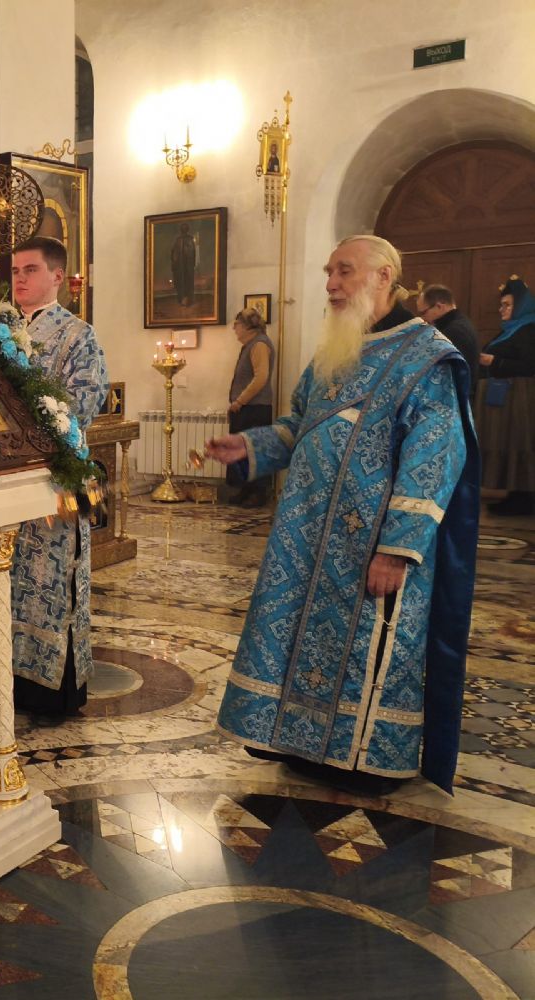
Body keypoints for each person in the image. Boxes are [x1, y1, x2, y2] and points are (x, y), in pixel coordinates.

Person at [205, 234, 478, 795]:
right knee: (299, 639)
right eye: (329, 271)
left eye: (344, 271)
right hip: (305, 535)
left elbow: (435, 457)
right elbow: (299, 424)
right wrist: (251, 446)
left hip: (371, 542)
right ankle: (299, 743)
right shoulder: (337, 350)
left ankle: (359, 760)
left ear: (384, 277)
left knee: (362, 650)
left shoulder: (426, 356)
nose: (330, 283)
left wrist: (397, 548)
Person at [0, 236, 108, 722]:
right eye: (15, 271)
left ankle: (50, 694)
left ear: (57, 277)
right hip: (1, 479)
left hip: (53, 483)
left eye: (30, 270)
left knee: (51, 583)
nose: (20, 278)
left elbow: (85, 401)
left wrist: (30, 432)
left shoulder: (78, 335)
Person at [474, 277, 535, 516]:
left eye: (507, 305)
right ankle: (515, 495)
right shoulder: (511, 330)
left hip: (520, 399)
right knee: (507, 445)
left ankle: (525, 498)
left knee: (519, 444)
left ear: (521, 306)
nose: (502, 309)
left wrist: (494, 361)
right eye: (501, 305)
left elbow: (529, 365)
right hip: (505, 398)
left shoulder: (529, 330)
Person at [226, 307, 275, 507]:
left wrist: (240, 401)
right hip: (247, 407)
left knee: (255, 451)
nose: (234, 329)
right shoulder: (251, 344)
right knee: (243, 451)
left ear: (247, 326)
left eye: (236, 324)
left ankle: (257, 493)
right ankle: (245, 491)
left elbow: (261, 377)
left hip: (254, 408)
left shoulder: (260, 344)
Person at [414, 283, 480, 395]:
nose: (423, 319)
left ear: (439, 306)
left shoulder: (453, 331)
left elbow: (444, 373)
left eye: (423, 313)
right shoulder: (459, 323)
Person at [170, 222, 197, 306]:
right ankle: (183, 299)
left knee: (187, 282)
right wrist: (175, 263)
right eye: (183, 228)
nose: (184, 230)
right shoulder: (178, 240)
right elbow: (174, 253)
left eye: (185, 228)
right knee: (182, 282)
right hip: (181, 266)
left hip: (187, 266)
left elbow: (193, 253)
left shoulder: (188, 239)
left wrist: (192, 264)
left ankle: (186, 299)